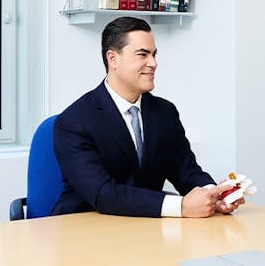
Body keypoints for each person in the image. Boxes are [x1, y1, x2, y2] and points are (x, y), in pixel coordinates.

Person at [52, 16, 242, 218]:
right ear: (113, 59)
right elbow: (103, 194)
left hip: (147, 225)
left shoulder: (164, 112)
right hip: (85, 228)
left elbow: (186, 171)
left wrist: (214, 194)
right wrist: (181, 207)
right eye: (142, 54)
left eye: (154, 54)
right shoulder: (74, 122)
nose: (153, 63)